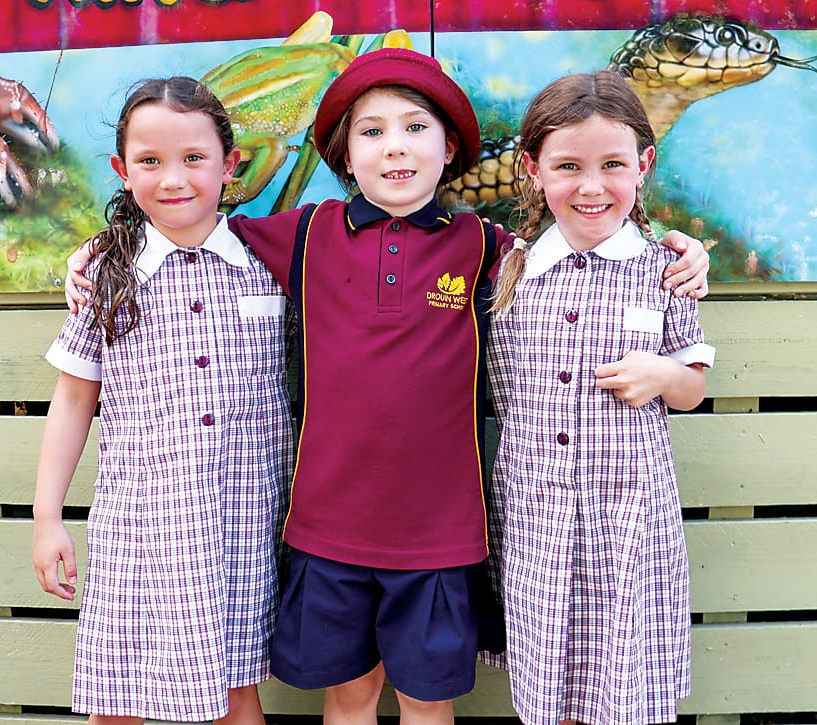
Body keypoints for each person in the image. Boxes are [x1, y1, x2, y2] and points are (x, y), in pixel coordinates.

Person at [64, 50, 710, 725]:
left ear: (449, 147)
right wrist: (105, 246)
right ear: (345, 155)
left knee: (427, 700)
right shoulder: (304, 234)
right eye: (371, 132)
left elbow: (579, 244)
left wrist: (678, 248)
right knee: (348, 695)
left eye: (415, 128)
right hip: (327, 528)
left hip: (441, 533)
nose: (394, 147)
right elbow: (188, 228)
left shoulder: (484, 246)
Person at [32, 77, 294, 725]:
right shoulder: (106, 274)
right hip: (142, 526)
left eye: (194, 158)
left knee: (235, 692)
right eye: (149, 161)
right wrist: (46, 518)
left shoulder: (273, 263)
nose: (173, 179)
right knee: (118, 698)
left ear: (230, 165)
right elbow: (73, 401)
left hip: (243, 524)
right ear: (123, 172)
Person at [487, 69, 716, 725]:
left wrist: (662, 375)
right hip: (535, 518)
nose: (591, 187)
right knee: (553, 682)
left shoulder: (666, 271)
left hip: (628, 522)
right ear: (532, 169)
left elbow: (692, 389)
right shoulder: (505, 270)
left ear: (642, 165)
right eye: (568, 166)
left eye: (612, 164)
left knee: (620, 683)